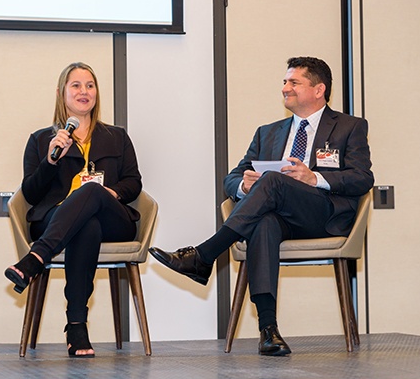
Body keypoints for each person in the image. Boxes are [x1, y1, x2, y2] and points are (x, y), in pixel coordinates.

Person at [149, 57, 374, 356]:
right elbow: (232, 178)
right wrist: (244, 187)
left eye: (294, 82)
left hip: (323, 215)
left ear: (319, 90)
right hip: (280, 218)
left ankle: (204, 254)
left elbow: (362, 178)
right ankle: (269, 330)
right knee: (264, 222)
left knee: (272, 181)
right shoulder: (267, 132)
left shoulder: (349, 127)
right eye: (284, 82)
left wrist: (314, 177)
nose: (285, 88)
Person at [5, 62, 142, 358]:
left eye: (90, 86)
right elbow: (30, 193)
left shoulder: (116, 136)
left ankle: (35, 258)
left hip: (113, 218)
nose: (84, 92)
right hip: (58, 219)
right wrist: (51, 161)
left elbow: (134, 182)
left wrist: (110, 193)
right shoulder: (42, 139)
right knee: (86, 226)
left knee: (91, 192)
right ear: (61, 93)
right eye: (76, 85)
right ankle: (77, 326)